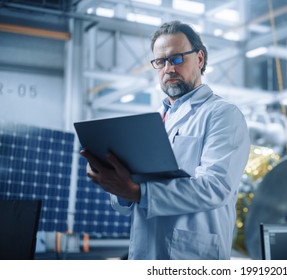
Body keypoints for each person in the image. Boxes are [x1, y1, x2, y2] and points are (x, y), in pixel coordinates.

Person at [81, 20, 251, 260]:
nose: (168, 68)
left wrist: (139, 193)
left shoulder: (222, 114)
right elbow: (130, 199)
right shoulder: (156, 120)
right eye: (160, 62)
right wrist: (116, 183)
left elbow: (215, 188)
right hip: (145, 252)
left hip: (193, 255)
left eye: (177, 58)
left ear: (200, 59)